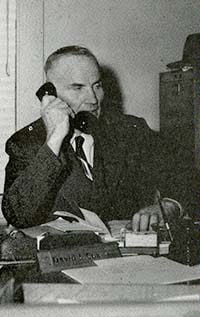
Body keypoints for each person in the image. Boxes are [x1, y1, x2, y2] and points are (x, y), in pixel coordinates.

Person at [2, 46, 182, 231]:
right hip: (65, 255)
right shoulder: (25, 142)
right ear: (51, 94)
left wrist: (168, 206)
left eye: (97, 86)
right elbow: (18, 215)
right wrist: (54, 140)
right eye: (77, 88)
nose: (94, 99)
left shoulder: (130, 130)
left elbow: (184, 176)